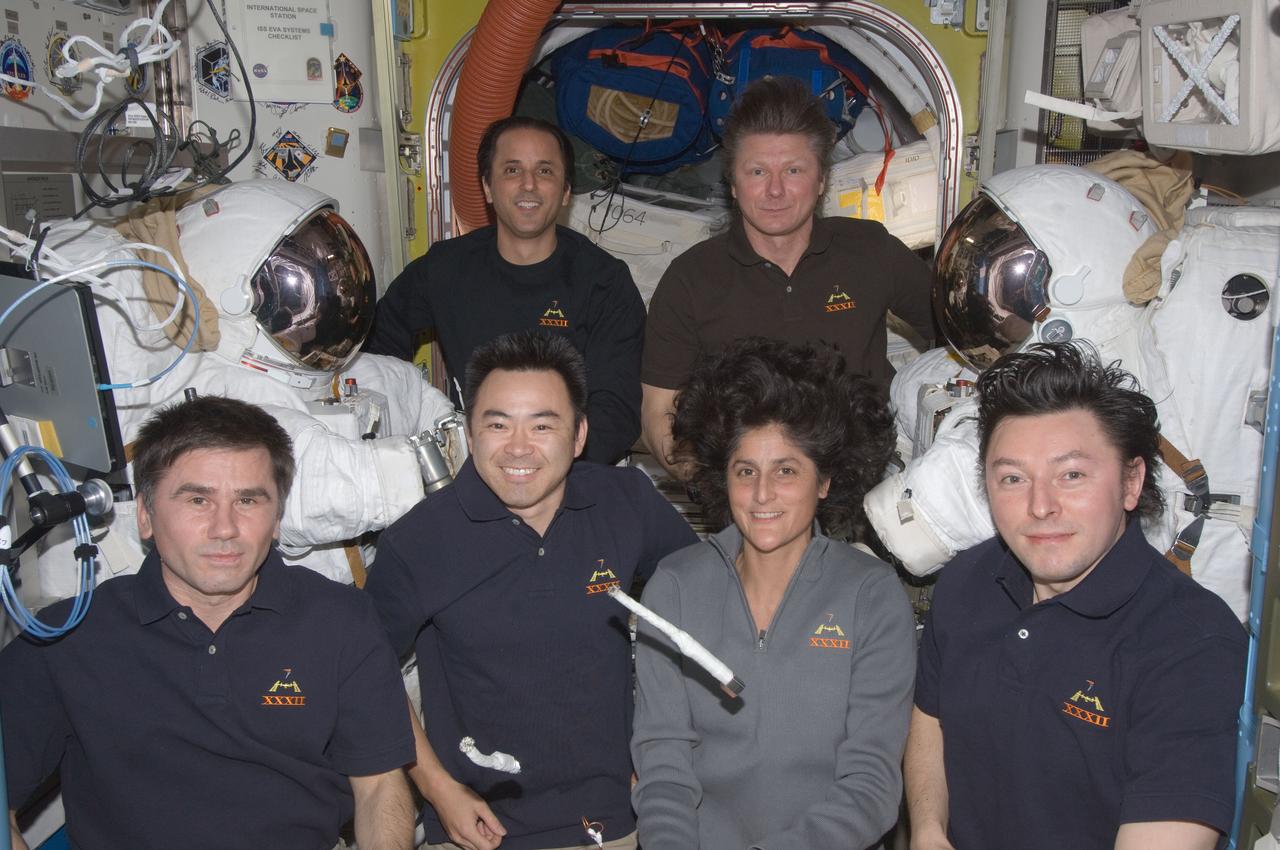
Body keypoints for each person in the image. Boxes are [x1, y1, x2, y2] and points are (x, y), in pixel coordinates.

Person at [2, 395, 416, 850]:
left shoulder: (341, 620)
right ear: (145, 514)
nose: (225, 527)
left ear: (276, 518)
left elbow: (379, 786)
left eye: (248, 500)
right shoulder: (68, 636)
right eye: (198, 499)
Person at [905, 342, 1247, 850]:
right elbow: (931, 718)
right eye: (1013, 478)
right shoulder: (964, 583)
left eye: (1072, 475)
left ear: (1131, 483)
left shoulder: (1192, 642)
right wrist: (929, 830)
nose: (1040, 506)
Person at [365, 330, 697, 850]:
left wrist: (662, 756)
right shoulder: (420, 540)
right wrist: (437, 787)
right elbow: (364, 671)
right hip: (477, 828)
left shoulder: (625, 502)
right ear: (470, 434)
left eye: (543, 425)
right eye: (497, 424)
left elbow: (702, 600)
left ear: (580, 434)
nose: (519, 447)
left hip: (617, 819)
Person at [632, 337, 916, 849]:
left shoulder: (871, 596)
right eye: (746, 471)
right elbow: (664, 765)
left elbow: (871, 784)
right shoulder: (673, 588)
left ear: (825, 481)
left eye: (786, 470)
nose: (762, 494)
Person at [640, 75, 934, 479]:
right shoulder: (691, 279)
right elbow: (659, 412)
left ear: (821, 181)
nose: (775, 191)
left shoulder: (870, 250)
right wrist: (712, 479)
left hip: (865, 487)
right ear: (733, 185)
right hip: (745, 492)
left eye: (793, 170)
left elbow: (957, 331)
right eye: (758, 172)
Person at [364, 116, 646, 465]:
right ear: (487, 187)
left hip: (572, 471)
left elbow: (615, 412)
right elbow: (377, 352)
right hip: (472, 463)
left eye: (545, 171)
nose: (528, 185)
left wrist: (547, 469)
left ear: (566, 192)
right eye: (512, 170)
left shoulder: (603, 282)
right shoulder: (445, 269)